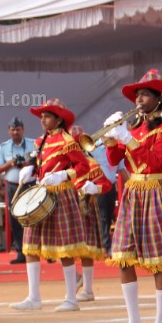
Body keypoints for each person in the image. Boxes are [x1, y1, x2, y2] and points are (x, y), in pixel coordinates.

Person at [105, 70, 162, 323]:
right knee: (123, 257)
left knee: (158, 262)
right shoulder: (134, 128)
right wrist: (112, 136)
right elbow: (114, 160)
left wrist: (126, 137)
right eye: (137, 95)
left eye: (144, 94)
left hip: (156, 191)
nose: (138, 99)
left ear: (159, 99)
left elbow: (154, 161)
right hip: (133, 193)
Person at [10, 99, 88, 312]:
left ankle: (71, 298)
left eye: (47, 116)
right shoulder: (40, 142)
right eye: (42, 116)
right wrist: (31, 170)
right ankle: (33, 297)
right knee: (30, 245)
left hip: (61, 195)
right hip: (41, 194)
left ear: (58, 119)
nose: (42, 120)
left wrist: (63, 175)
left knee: (65, 247)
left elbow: (83, 167)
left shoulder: (67, 140)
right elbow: (41, 165)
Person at [68, 125, 112, 302]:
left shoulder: (91, 164)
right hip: (67, 208)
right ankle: (75, 282)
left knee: (86, 250)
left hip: (84, 209)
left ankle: (87, 289)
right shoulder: (63, 164)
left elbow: (107, 185)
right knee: (64, 249)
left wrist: (95, 188)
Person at [0, 116, 37, 263]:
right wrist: (10, 163)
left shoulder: (33, 144)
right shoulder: (4, 147)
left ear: (23, 129)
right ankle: (21, 252)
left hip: (30, 185)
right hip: (12, 186)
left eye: (18, 129)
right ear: (8, 131)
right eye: (13, 130)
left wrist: (27, 163)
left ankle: (38, 249)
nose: (15, 132)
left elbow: (41, 162)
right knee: (14, 219)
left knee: (34, 216)